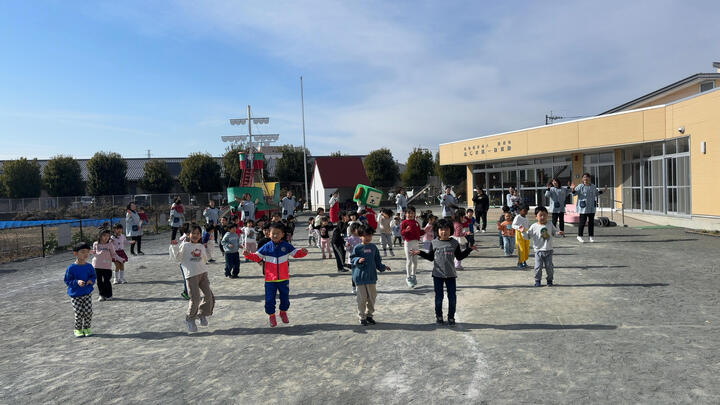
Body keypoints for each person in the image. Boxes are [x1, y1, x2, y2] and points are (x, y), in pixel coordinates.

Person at [411, 218, 475, 326]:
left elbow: (459, 256)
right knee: (439, 297)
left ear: (451, 230)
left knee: (452, 297)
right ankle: (439, 316)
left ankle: (451, 317)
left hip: (451, 275)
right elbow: (430, 257)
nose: (444, 232)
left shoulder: (454, 243)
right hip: (438, 275)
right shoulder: (434, 242)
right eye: (441, 229)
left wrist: (469, 249)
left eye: (446, 229)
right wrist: (419, 252)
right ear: (437, 230)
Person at [243, 222, 308, 327]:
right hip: (270, 280)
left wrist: (303, 252)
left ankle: (283, 312)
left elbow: (296, 253)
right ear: (269, 234)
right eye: (273, 233)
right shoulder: (266, 247)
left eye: (278, 233)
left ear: (282, 234)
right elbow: (257, 257)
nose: (275, 235)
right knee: (269, 300)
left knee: (285, 299)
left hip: (283, 279)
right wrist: (248, 255)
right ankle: (271, 316)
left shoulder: (286, 246)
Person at [170, 224, 215, 333]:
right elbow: (177, 258)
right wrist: (174, 247)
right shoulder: (185, 246)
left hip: (203, 273)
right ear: (188, 234)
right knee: (195, 298)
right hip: (191, 275)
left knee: (209, 296)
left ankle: (202, 314)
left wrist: (210, 243)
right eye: (193, 233)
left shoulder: (200, 246)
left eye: (198, 233)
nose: (195, 235)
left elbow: (207, 257)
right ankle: (190, 318)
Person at [350, 225, 390, 326]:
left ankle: (369, 315)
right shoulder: (357, 248)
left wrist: (383, 267)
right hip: (360, 277)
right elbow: (352, 259)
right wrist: (357, 260)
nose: (368, 238)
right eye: (365, 235)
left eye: (370, 235)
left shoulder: (373, 247)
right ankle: (362, 316)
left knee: (372, 298)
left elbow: (377, 261)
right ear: (360, 236)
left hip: (371, 277)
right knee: (362, 298)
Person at [524, 206, 564, 287]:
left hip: (548, 250)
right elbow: (527, 237)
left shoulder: (550, 224)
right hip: (538, 251)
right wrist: (523, 232)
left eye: (544, 215)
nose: (542, 217)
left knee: (549, 267)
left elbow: (555, 233)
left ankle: (549, 280)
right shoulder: (534, 226)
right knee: (538, 267)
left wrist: (559, 233)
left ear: (547, 216)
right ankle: (537, 280)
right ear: (536, 217)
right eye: (540, 215)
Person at [64, 242, 97, 337]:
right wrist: (76, 282)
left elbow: (93, 276)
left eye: (87, 252)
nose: (85, 254)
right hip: (75, 295)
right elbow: (67, 281)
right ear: (75, 253)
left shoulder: (89, 266)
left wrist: (91, 281)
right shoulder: (71, 268)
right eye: (82, 252)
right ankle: (78, 329)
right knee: (79, 313)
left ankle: (87, 328)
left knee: (88, 312)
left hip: (87, 293)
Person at [572, 173, 607, 243]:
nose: (586, 178)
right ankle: (579, 236)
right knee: (582, 222)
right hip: (583, 208)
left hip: (591, 207)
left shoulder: (593, 186)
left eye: (587, 177)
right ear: (582, 179)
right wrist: (572, 189)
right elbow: (574, 193)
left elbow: (596, 193)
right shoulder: (580, 186)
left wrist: (603, 190)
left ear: (589, 178)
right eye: (584, 177)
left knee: (591, 223)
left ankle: (591, 236)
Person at [91, 229, 123, 302]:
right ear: (100, 236)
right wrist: (88, 251)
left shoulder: (110, 244)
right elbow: (94, 252)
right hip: (97, 265)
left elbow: (113, 254)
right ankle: (101, 295)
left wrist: (120, 259)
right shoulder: (96, 244)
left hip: (107, 266)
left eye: (108, 236)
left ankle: (109, 295)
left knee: (106, 281)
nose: (106, 237)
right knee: (99, 281)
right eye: (104, 235)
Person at [401, 206, 422, 288]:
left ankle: (413, 276)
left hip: (416, 243)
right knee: (409, 261)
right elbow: (401, 233)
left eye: (412, 213)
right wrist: (405, 230)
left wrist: (425, 231)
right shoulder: (404, 222)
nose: (410, 214)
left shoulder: (416, 223)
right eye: (408, 213)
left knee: (415, 261)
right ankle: (408, 277)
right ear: (405, 214)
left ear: (414, 214)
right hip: (408, 243)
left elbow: (419, 232)